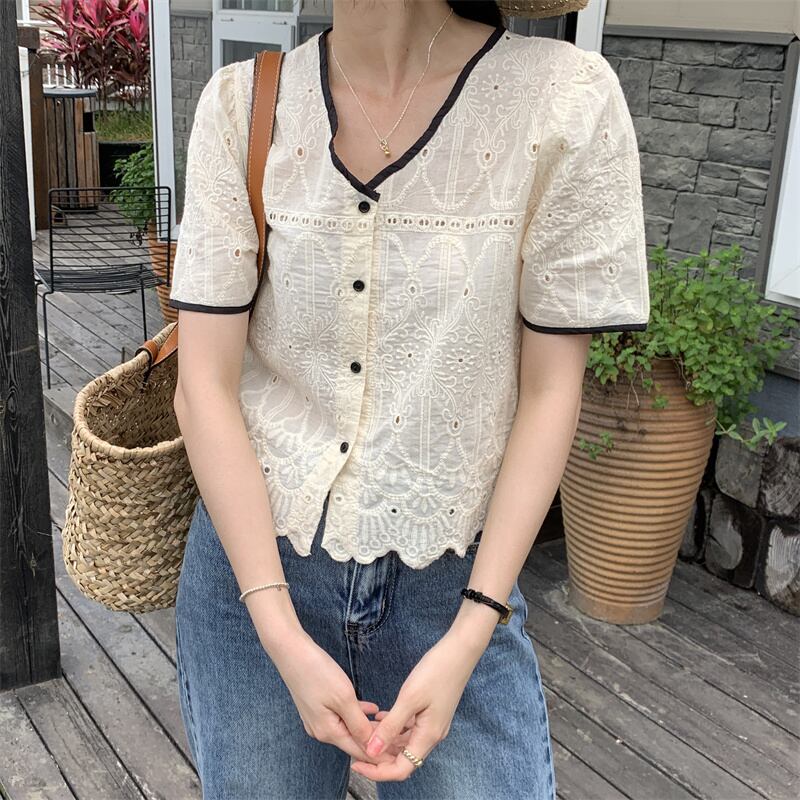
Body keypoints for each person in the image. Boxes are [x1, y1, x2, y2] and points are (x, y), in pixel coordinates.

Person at [168, 0, 649, 797]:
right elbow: (204, 387)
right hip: (252, 576)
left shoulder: (565, 99)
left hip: (454, 585)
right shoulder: (241, 105)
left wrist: (470, 633)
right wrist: (278, 630)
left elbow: (552, 388)